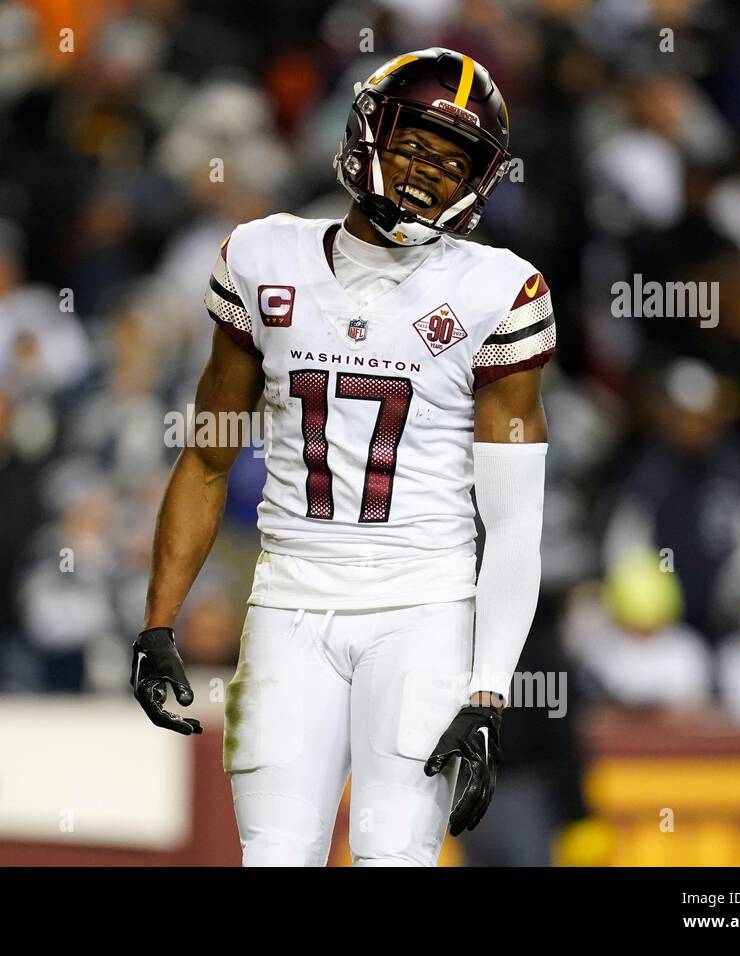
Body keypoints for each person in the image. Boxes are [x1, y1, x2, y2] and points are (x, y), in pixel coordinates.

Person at [130, 49, 553, 866]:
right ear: (368, 131)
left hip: (425, 608)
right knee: (274, 857)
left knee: (392, 858)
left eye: (454, 160)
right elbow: (209, 457)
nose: (431, 173)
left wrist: (489, 692)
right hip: (288, 599)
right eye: (417, 144)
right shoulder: (262, 257)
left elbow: (515, 523)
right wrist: (158, 621)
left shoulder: (497, 289)